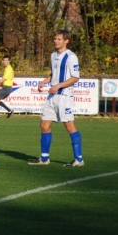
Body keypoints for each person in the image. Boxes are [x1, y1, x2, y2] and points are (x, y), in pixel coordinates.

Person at [29, 30, 84, 167]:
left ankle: (79, 159)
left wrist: (58, 85)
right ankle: (44, 158)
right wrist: (44, 81)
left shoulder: (71, 57)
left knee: (69, 125)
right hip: (52, 95)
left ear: (66, 41)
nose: (55, 41)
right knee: (44, 124)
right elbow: (54, 73)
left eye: (59, 39)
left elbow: (75, 77)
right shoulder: (53, 55)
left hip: (64, 96)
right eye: (54, 39)